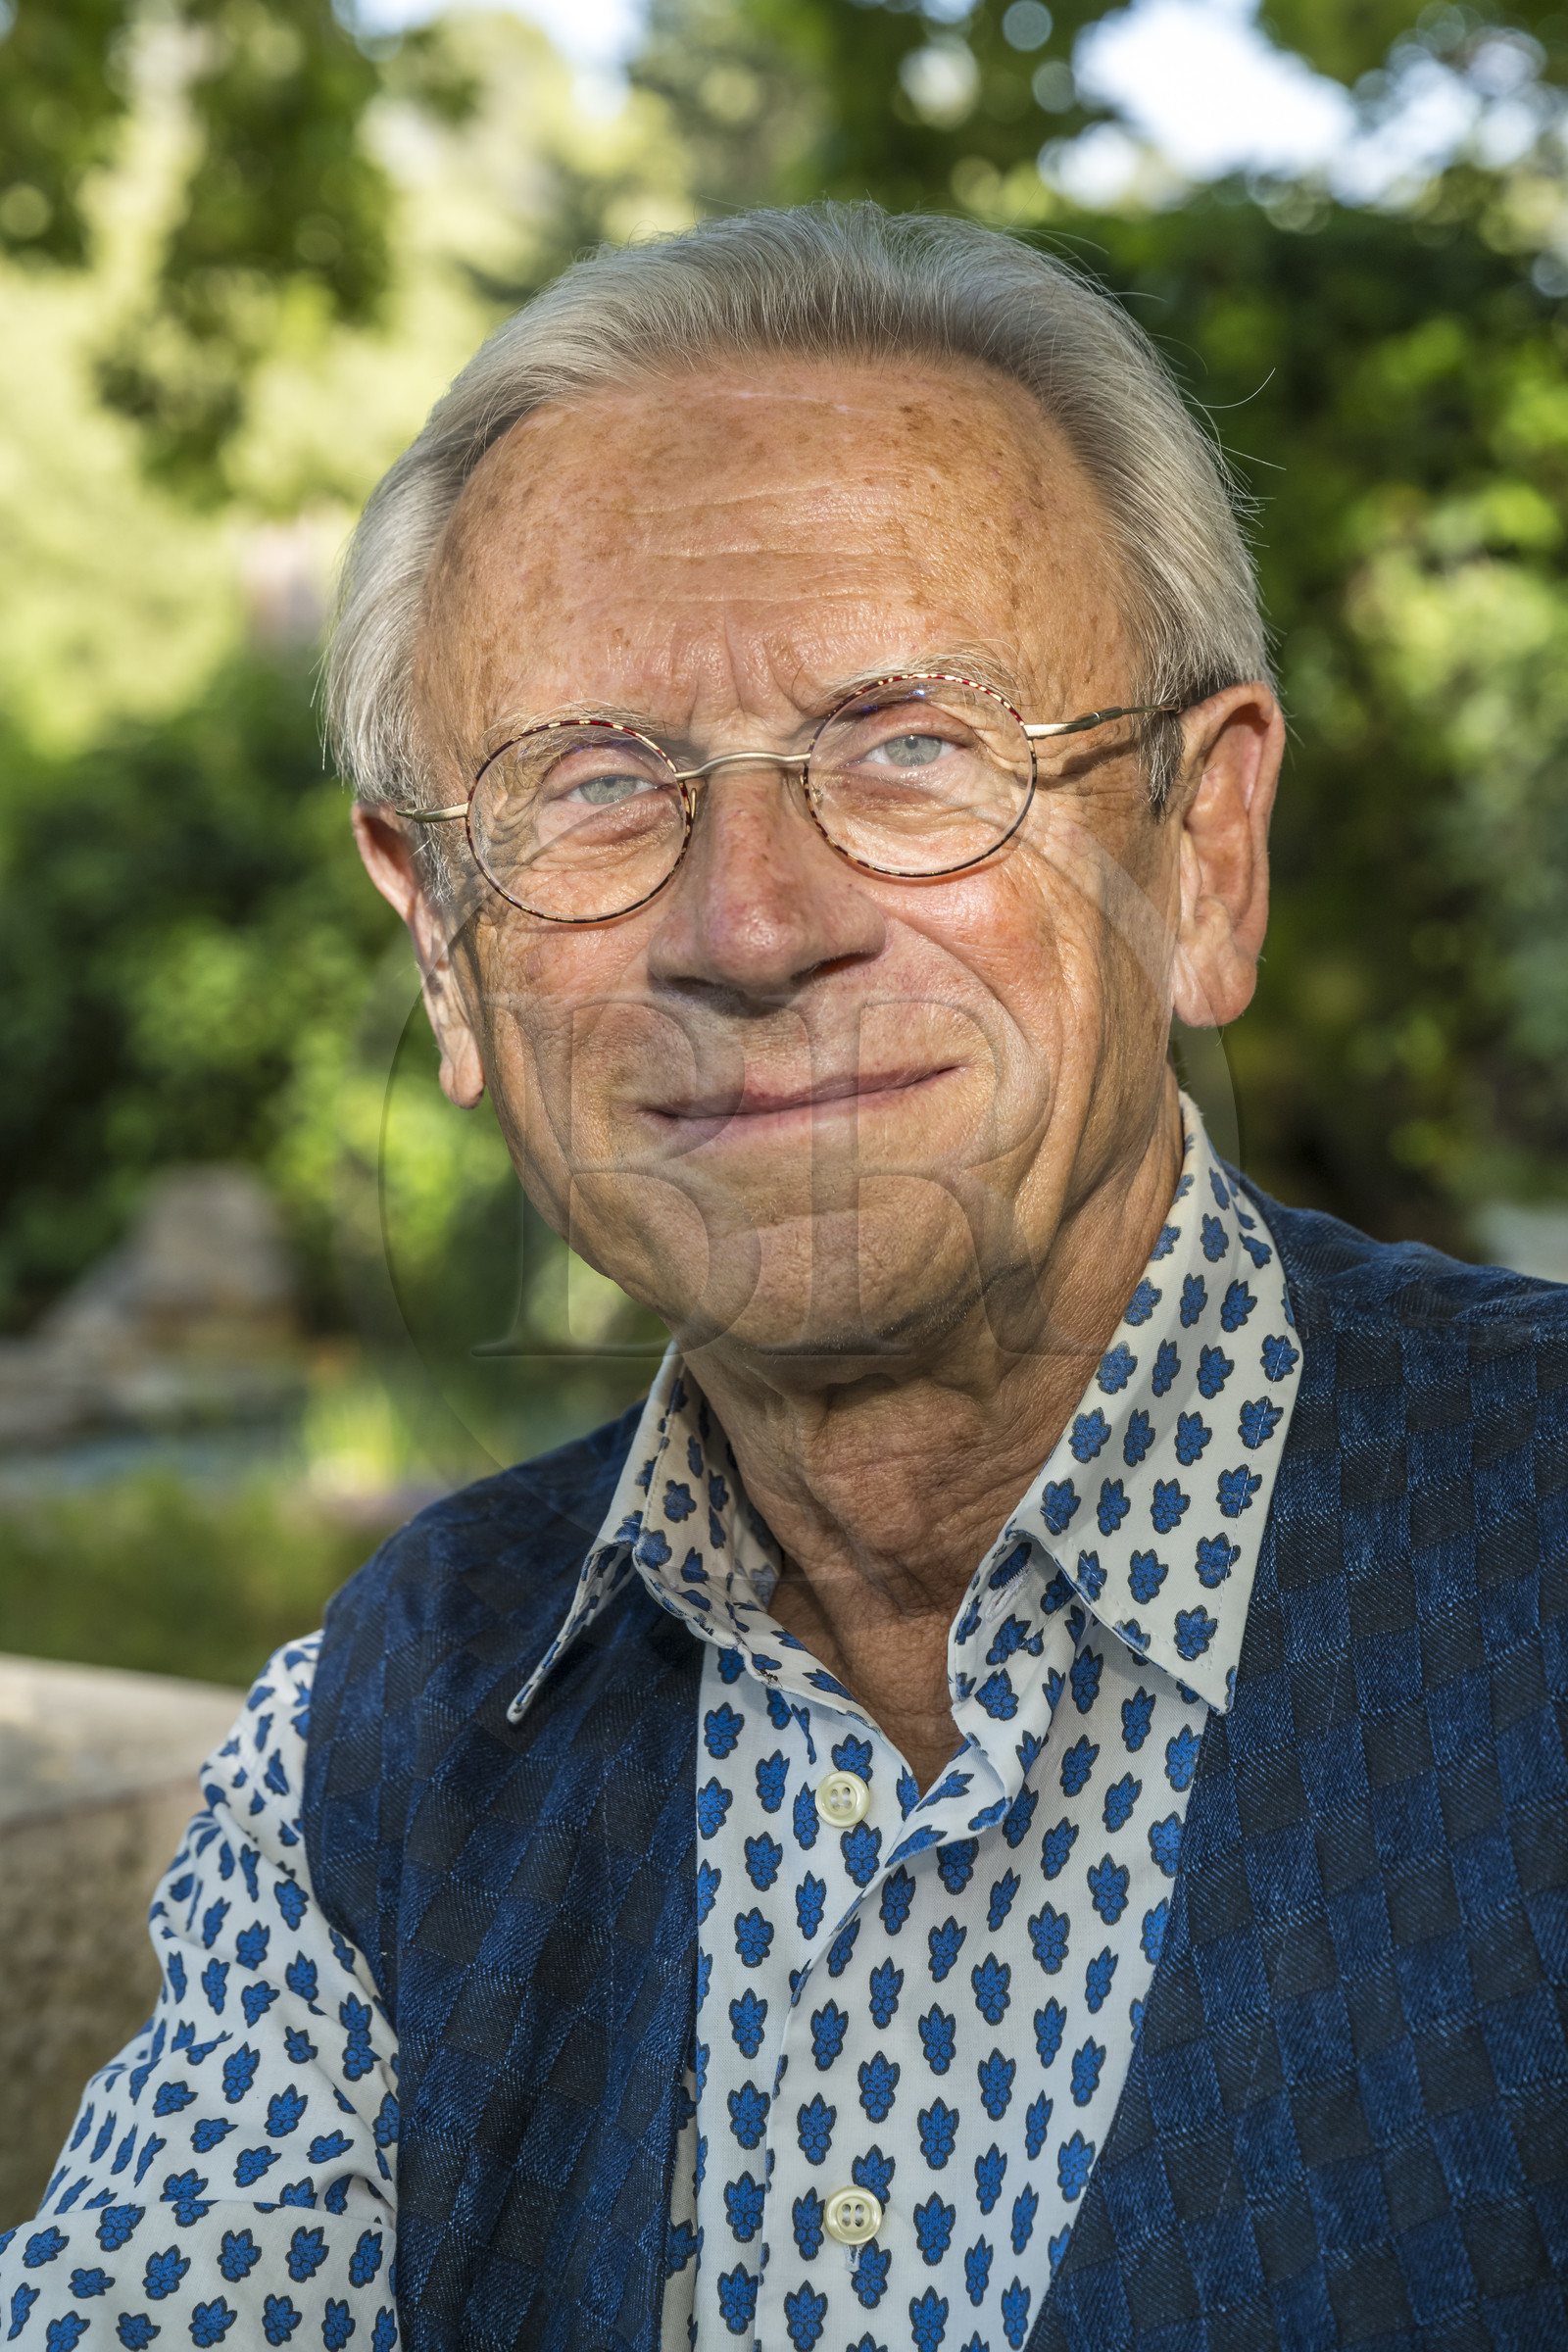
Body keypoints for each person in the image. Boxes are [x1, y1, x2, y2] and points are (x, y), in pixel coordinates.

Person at [7, 203, 1565, 2352]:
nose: (748, 926)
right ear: (440, 946)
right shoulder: (365, 1755)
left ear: (1199, 857)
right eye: (592, 785)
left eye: (912, 747)